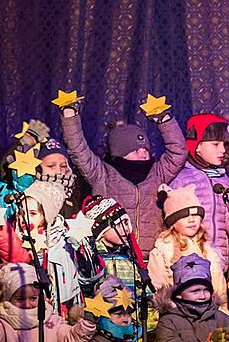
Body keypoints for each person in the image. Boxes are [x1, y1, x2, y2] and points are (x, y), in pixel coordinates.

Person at [59, 95, 187, 256]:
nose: (143, 153)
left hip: (153, 256)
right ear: (120, 152)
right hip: (114, 256)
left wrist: (164, 119)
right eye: (135, 150)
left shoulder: (157, 173)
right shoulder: (102, 173)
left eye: (145, 149)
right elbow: (78, 150)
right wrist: (70, 116)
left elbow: (178, 152)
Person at [169, 112, 229, 266]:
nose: (223, 150)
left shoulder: (224, 179)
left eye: (225, 144)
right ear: (197, 146)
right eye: (215, 144)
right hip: (192, 262)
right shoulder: (182, 179)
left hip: (220, 261)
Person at [148, 183, 226, 297]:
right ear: (173, 223)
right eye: (184, 216)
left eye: (196, 215)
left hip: (208, 309)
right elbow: (159, 286)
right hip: (177, 311)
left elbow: (219, 287)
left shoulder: (207, 249)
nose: (192, 220)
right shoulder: (162, 250)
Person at [15, 179, 83, 309]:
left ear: (46, 216)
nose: (25, 219)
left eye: (33, 213)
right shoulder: (16, 242)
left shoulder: (63, 243)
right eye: (22, 213)